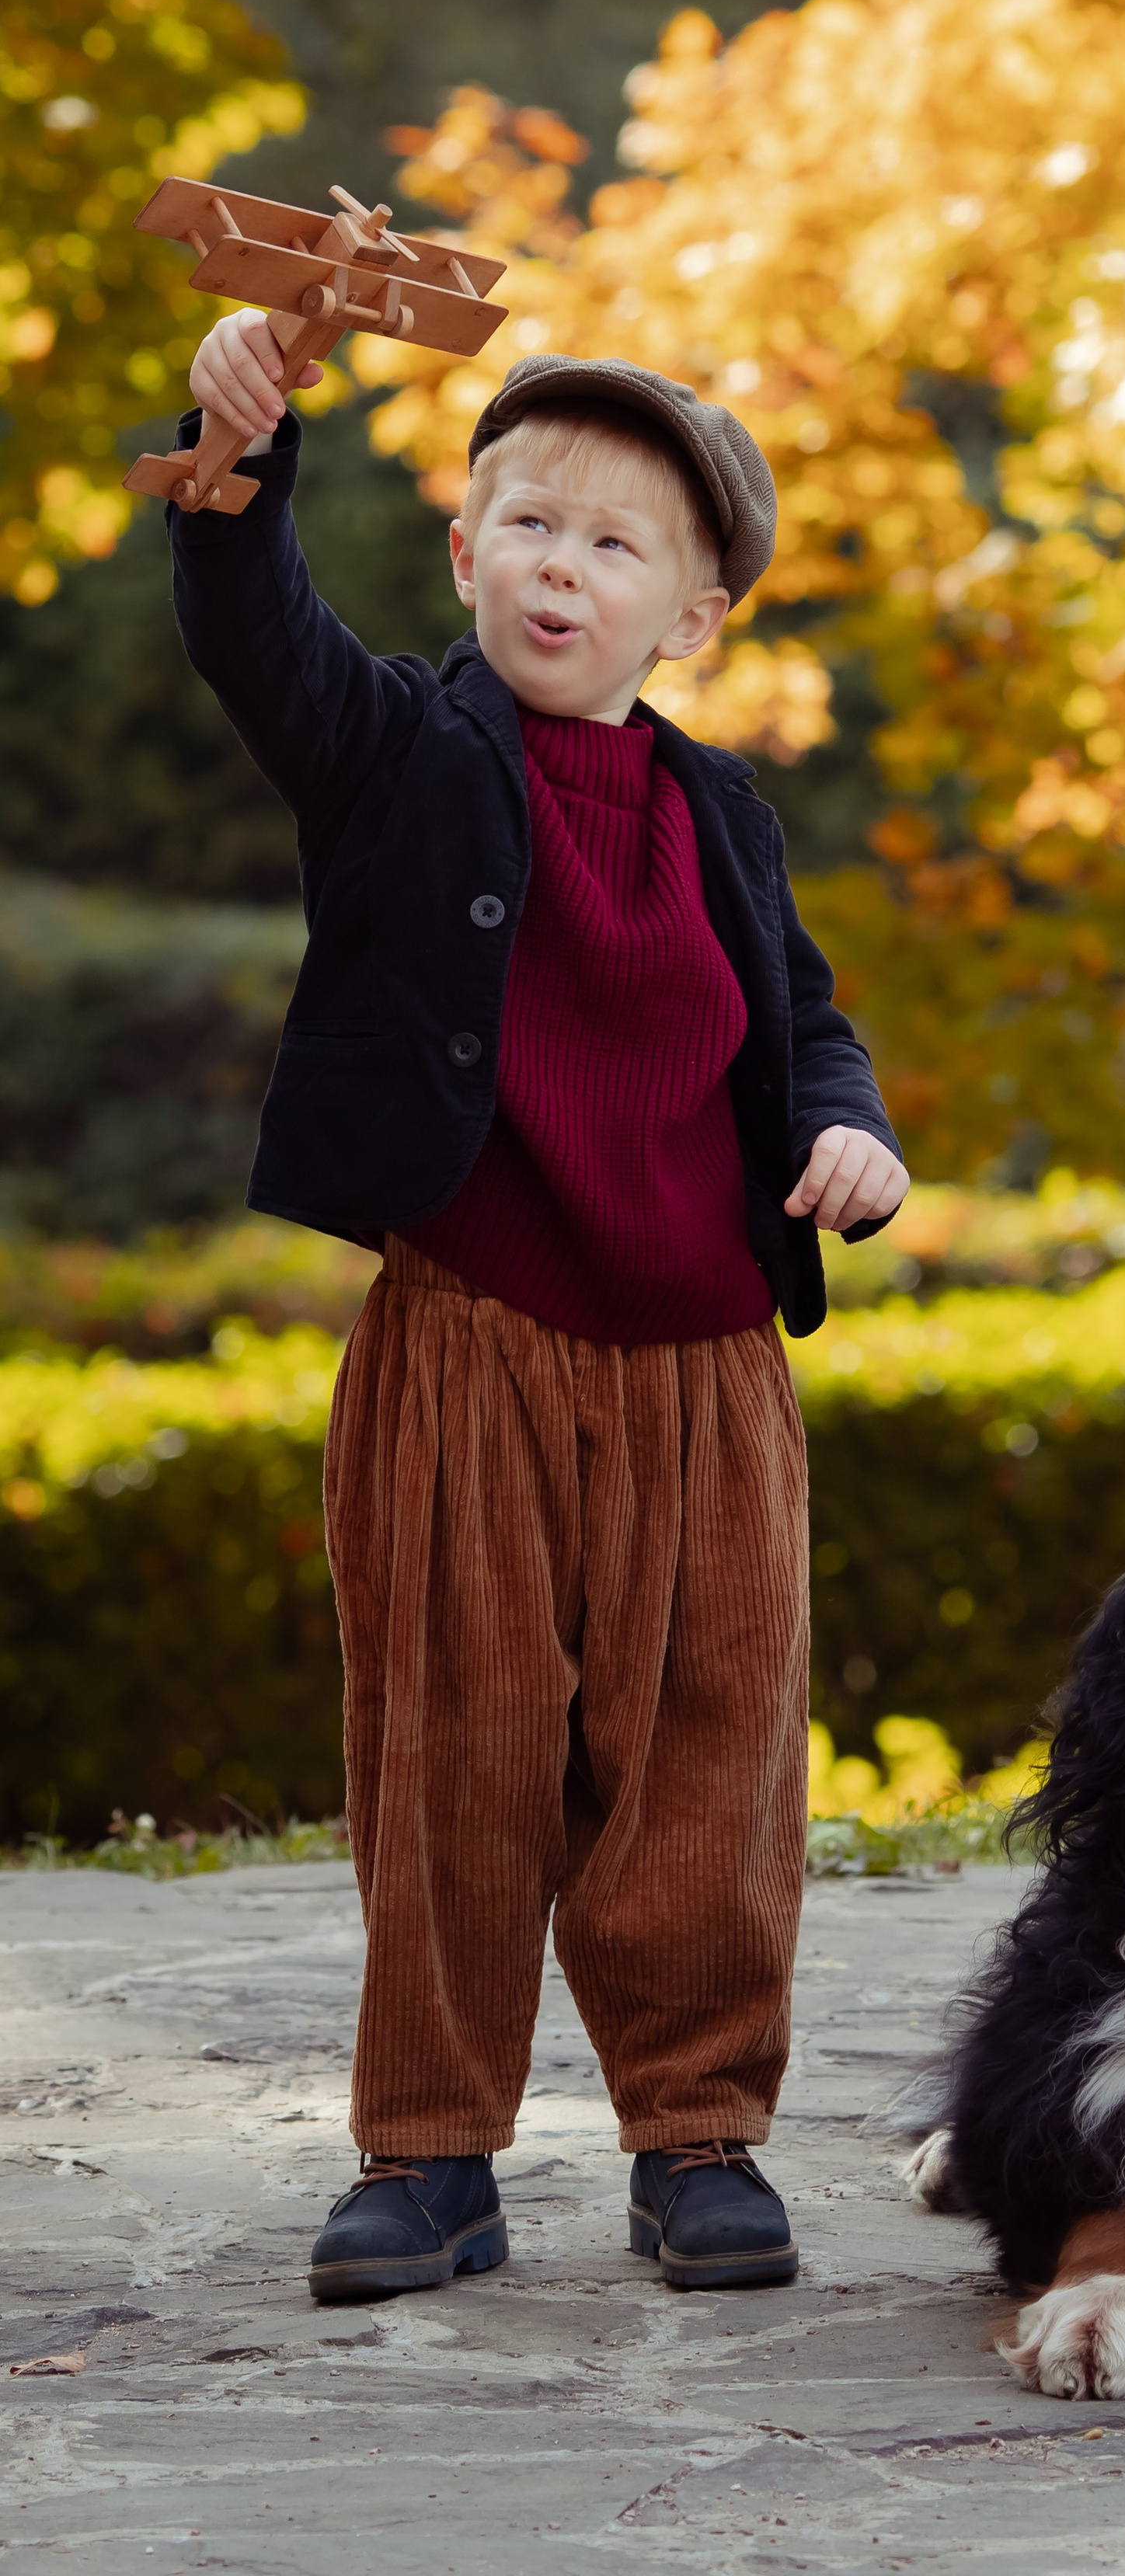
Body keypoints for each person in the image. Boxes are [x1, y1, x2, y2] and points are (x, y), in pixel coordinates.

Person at [169, 312, 908, 2305]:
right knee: (458, 1750)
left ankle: (699, 2139)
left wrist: (856, 1142)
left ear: (694, 613)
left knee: (705, 1755)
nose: (558, 567)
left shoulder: (722, 818)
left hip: (706, 1368)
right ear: (467, 554)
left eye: (611, 546)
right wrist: (237, 458)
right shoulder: (398, 752)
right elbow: (258, 636)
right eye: (525, 523)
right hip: (474, 1340)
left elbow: (808, 1030)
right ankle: (430, 2154)